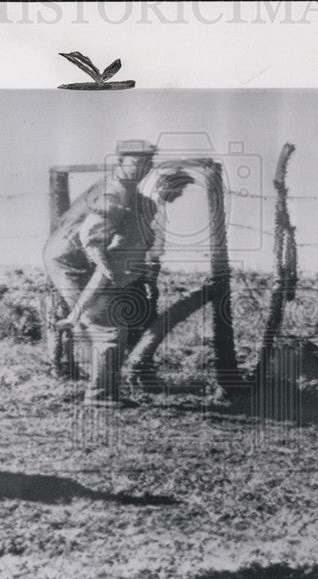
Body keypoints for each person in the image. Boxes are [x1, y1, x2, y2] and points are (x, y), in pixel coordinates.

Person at [43, 140, 191, 407]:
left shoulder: (133, 197)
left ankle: (107, 383)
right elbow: (94, 245)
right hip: (71, 259)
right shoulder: (118, 197)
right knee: (107, 327)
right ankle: (100, 396)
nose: (141, 170)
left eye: (147, 165)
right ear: (120, 163)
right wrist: (82, 306)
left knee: (112, 320)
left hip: (83, 255)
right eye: (135, 164)